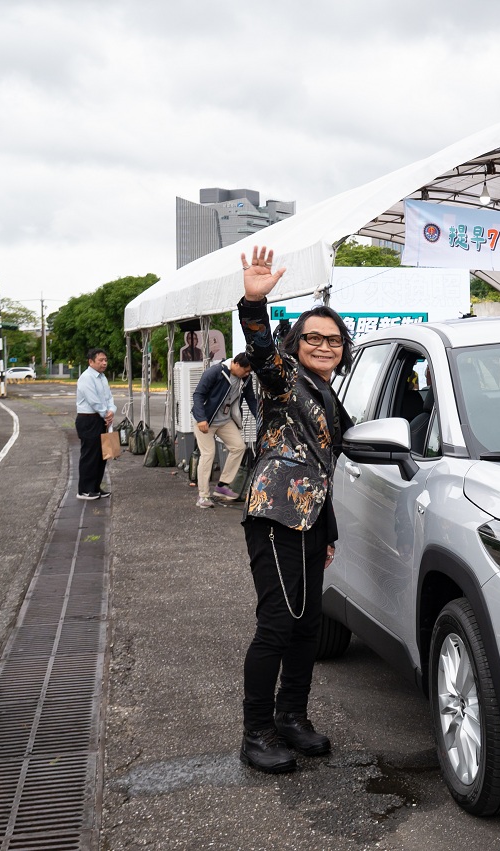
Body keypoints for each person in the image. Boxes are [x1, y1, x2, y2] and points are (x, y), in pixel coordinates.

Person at [237, 245, 356, 773]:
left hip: (311, 522)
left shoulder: (329, 395)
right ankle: (256, 733)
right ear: (297, 344)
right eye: (314, 338)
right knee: (277, 625)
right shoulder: (285, 380)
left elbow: (323, 467)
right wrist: (254, 303)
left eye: (333, 340)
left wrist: (327, 531)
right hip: (276, 516)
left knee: (308, 626)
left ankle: (291, 717)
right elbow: (262, 352)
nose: (324, 346)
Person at [192, 352, 259, 508]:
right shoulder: (215, 372)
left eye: (249, 372)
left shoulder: (245, 379)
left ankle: (222, 486)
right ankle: (203, 496)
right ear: (236, 364)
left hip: (224, 421)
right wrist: (201, 418)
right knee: (208, 454)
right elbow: (198, 395)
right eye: (246, 370)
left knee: (239, 447)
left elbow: (251, 399)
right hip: (206, 420)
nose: (247, 374)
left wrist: (260, 419)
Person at [74, 348, 116, 500]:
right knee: (90, 455)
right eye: (101, 360)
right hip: (88, 420)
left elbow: (109, 397)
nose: (104, 363)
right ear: (91, 362)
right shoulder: (86, 377)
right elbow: (94, 400)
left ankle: (95, 487)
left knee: (101, 456)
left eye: (105, 360)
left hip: (101, 418)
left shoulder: (102, 377)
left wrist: (111, 411)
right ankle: (84, 490)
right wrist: (106, 414)